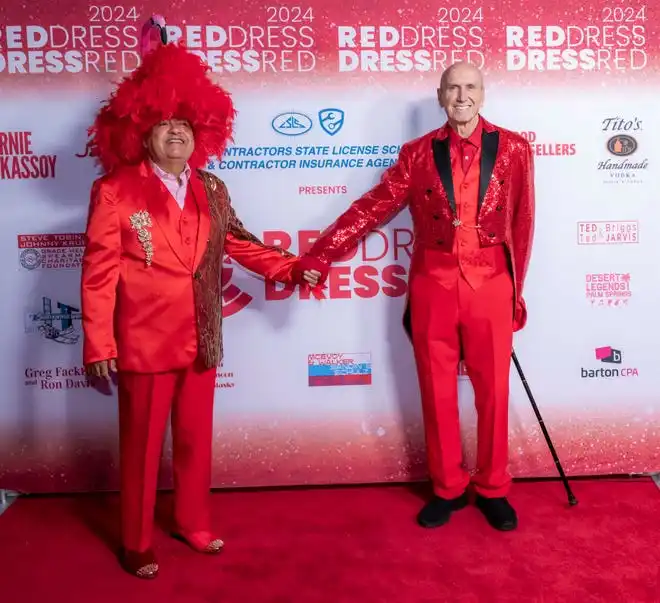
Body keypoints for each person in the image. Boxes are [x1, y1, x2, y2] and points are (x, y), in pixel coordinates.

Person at [81, 42, 319, 579]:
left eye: (185, 124)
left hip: (202, 337)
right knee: (141, 451)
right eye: (164, 124)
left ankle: (192, 521)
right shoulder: (115, 190)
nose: (176, 133)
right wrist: (99, 343)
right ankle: (136, 541)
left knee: (194, 441)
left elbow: (238, 243)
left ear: (201, 134)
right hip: (142, 343)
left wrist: (290, 268)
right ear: (141, 132)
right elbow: (97, 274)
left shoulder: (212, 187)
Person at [297, 62, 535, 532]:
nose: (462, 96)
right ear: (440, 95)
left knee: (495, 393)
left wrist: (517, 293)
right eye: (453, 88)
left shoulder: (514, 149)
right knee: (437, 391)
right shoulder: (417, 153)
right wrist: (320, 255)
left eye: (470, 87)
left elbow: (523, 223)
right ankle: (447, 486)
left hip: (492, 283)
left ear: (483, 94)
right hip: (433, 284)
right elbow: (372, 208)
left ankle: (492, 487)